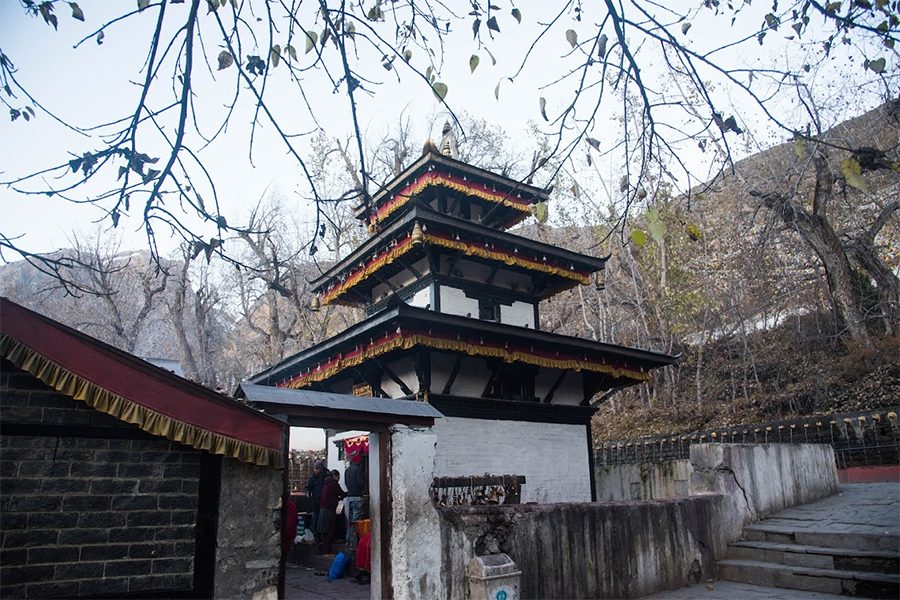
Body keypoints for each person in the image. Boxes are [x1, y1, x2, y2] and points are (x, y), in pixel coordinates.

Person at [318, 469, 347, 554]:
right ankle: (327, 552)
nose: (338, 479)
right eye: (338, 477)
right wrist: (350, 493)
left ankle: (325, 551)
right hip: (329, 510)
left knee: (324, 532)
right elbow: (341, 493)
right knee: (330, 531)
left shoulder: (325, 483)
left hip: (323, 509)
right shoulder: (334, 484)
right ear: (335, 476)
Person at [344, 451, 366, 543]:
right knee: (356, 519)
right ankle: (353, 540)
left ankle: (348, 539)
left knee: (350, 520)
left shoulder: (347, 470)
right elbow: (360, 482)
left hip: (349, 497)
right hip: (357, 497)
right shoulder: (358, 469)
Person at [304, 460, 328, 536]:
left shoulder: (326, 475)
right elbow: (308, 487)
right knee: (316, 518)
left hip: (325, 501)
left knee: (324, 519)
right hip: (316, 501)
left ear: (321, 469)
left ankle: (323, 535)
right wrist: (307, 492)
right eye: (314, 469)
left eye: (317, 469)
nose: (315, 470)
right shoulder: (312, 477)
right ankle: (316, 534)